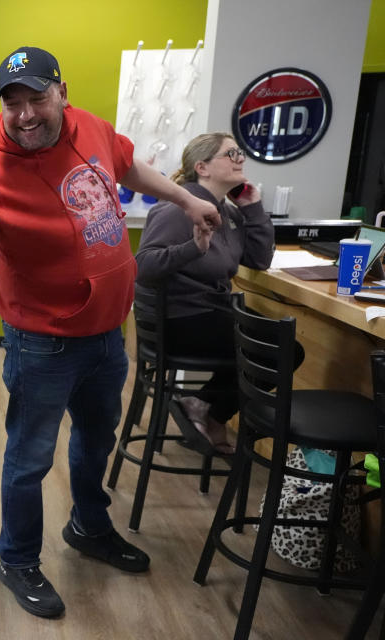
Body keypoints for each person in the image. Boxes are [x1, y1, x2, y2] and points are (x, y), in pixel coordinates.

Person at [0, 46, 221, 619]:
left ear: (61, 92)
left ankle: (87, 527)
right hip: (42, 342)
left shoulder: (88, 126)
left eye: (36, 98)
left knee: (96, 440)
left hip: (107, 332)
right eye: (12, 103)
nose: (24, 114)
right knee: (29, 457)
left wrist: (186, 198)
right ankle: (17, 557)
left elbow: (126, 165)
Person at [135, 133, 279, 455]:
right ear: (202, 167)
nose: (241, 159)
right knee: (275, 349)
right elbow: (142, 265)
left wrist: (254, 209)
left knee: (276, 345)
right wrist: (193, 248)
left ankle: (205, 408)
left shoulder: (228, 213)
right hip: (180, 318)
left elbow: (259, 260)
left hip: (211, 313)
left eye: (241, 153)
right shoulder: (178, 207)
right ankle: (207, 410)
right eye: (231, 154)